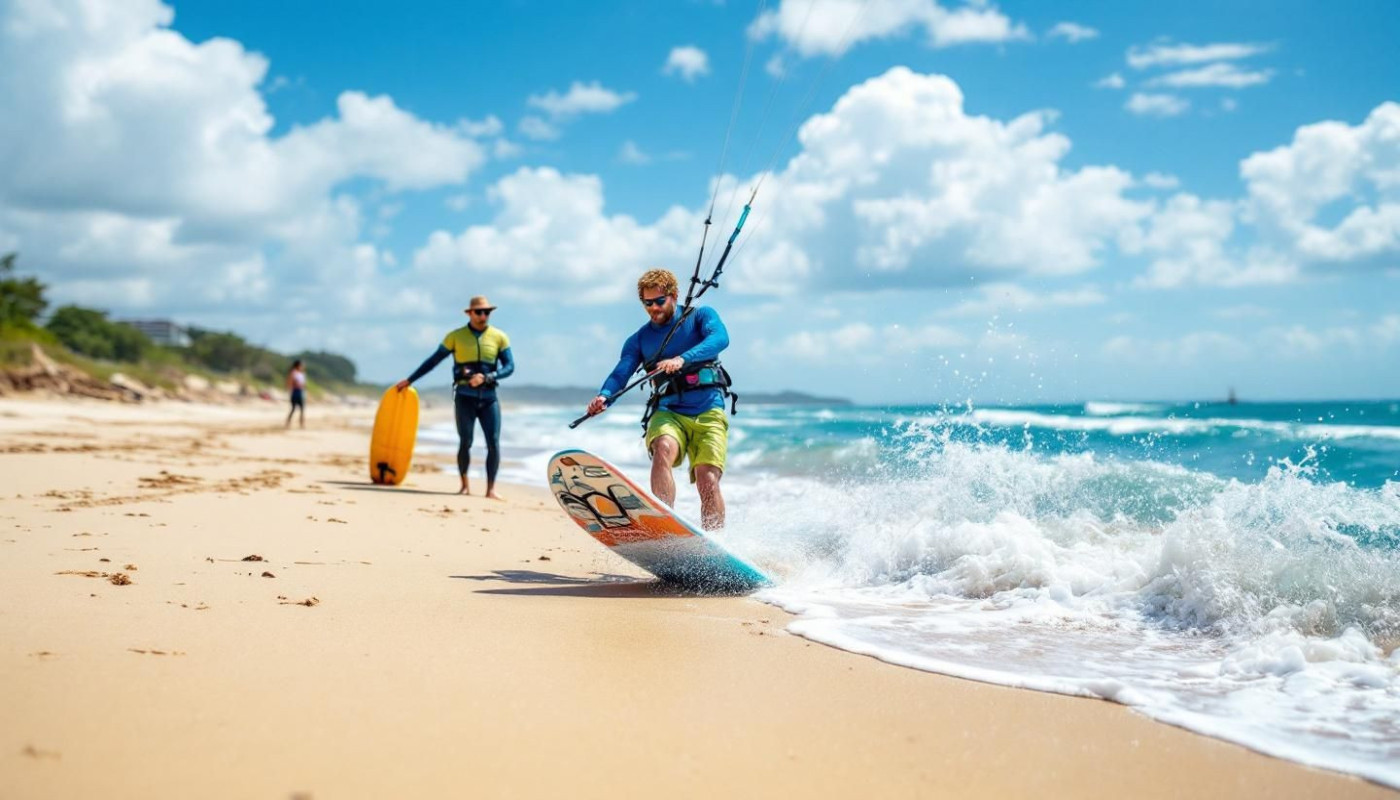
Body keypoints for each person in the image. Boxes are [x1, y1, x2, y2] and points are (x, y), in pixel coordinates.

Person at [586, 269, 733, 529]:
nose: (653, 308)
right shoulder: (639, 339)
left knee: (707, 478)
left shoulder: (701, 316)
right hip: (669, 411)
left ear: (674, 296)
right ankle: (665, 525)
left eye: (659, 301)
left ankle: (714, 541)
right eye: (647, 303)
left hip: (709, 408)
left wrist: (683, 359)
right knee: (662, 447)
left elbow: (720, 338)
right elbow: (621, 373)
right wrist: (604, 396)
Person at [397, 296, 514, 498]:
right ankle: (464, 486)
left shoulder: (499, 337)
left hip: (489, 398)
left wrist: (488, 377)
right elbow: (433, 361)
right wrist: (410, 380)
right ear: (469, 313)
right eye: (479, 312)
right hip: (464, 396)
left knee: (493, 442)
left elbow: (510, 367)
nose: (483, 316)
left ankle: (491, 490)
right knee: (465, 441)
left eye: (487, 312)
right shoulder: (455, 337)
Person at [285, 359, 306, 429]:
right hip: (295, 391)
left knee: (302, 408)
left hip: (300, 391)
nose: (302, 367)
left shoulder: (301, 374)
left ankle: (301, 423)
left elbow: (303, 384)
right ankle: (288, 422)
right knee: (294, 408)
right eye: (301, 365)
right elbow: (291, 382)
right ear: (298, 365)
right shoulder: (293, 372)